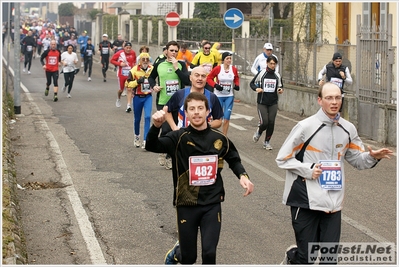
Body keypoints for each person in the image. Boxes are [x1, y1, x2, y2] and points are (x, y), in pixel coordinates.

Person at [276, 82, 393, 265]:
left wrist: (372, 157)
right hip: (305, 199)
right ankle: (293, 256)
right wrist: (308, 170)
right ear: (319, 100)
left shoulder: (347, 128)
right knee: (307, 258)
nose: (334, 102)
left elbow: (357, 160)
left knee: (330, 260)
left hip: (333, 203)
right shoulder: (305, 127)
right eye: (329, 98)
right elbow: (282, 158)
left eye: (338, 97)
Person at [145, 92, 254, 265]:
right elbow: (151, 146)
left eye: (200, 108)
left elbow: (233, 158)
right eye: (192, 109)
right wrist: (156, 126)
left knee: (209, 254)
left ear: (207, 112)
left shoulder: (219, 139)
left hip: (212, 203)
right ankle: (177, 254)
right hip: (186, 204)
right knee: (189, 258)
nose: (196, 112)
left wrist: (243, 176)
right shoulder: (178, 138)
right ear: (186, 113)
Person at [148, 40, 190, 169]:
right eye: (171, 50)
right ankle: (163, 151)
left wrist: (176, 67)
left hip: (179, 102)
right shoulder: (159, 64)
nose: (174, 53)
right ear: (166, 51)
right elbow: (151, 77)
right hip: (163, 101)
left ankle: (170, 156)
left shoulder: (181, 64)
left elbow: (187, 80)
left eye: (176, 51)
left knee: (176, 129)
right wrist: (154, 86)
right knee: (166, 129)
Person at [163, 66, 224, 131]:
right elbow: (166, 110)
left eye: (203, 76)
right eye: (197, 75)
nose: (200, 78)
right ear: (190, 78)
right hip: (183, 137)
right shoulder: (180, 94)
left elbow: (219, 121)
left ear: (206, 79)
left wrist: (206, 125)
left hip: (203, 138)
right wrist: (174, 128)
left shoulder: (212, 97)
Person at [250, 55, 284, 150]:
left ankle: (267, 142)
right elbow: (251, 83)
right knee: (264, 122)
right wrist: (257, 88)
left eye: (274, 64)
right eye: (271, 63)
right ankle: (259, 132)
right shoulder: (262, 73)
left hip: (273, 102)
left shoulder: (277, 75)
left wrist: (280, 90)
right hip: (262, 102)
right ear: (267, 63)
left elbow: (280, 86)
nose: (272, 65)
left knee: (271, 122)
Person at [206, 52, 240, 135]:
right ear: (223, 60)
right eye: (227, 58)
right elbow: (209, 78)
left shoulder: (233, 69)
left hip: (229, 96)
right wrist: (215, 85)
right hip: (218, 96)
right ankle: (212, 134)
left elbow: (236, 78)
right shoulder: (218, 69)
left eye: (230, 58)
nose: (229, 60)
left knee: (227, 118)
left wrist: (237, 85)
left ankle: (224, 137)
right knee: (218, 120)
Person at [125, 52, 154, 148]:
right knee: (137, 119)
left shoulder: (152, 69)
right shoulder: (134, 70)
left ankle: (146, 140)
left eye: (147, 59)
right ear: (140, 61)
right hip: (137, 97)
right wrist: (137, 82)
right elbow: (128, 84)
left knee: (147, 117)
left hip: (148, 97)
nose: (145, 61)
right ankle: (137, 137)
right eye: (143, 59)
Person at [110, 42, 137, 112]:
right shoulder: (119, 53)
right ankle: (118, 98)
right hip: (121, 75)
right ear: (124, 47)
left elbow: (134, 61)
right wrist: (120, 64)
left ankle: (128, 105)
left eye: (129, 48)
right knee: (121, 90)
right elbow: (112, 60)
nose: (128, 49)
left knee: (129, 89)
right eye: (127, 48)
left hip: (129, 75)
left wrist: (134, 65)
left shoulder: (133, 53)